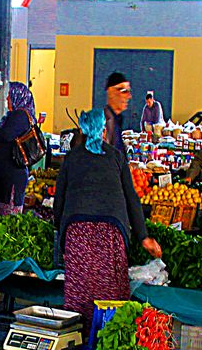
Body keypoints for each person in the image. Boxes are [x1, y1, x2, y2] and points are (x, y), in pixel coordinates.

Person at [54, 108, 161, 324]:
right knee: (109, 293)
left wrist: (60, 229)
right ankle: (108, 338)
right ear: (103, 131)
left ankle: (79, 340)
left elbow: (59, 201)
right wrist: (144, 236)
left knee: (80, 292)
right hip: (110, 233)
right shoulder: (115, 156)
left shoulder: (72, 158)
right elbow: (132, 198)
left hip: (78, 233)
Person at [0, 82, 37, 216]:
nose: (7, 99)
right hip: (6, 178)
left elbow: (6, 134)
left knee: (7, 219)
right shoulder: (16, 116)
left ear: (18, 97)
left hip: (11, 179)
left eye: (9, 96)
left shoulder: (20, 116)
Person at [104, 72, 132, 150]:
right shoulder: (105, 123)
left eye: (129, 91)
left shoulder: (116, 120)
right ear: (111, 92)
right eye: (124, 91)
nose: (129, 96)